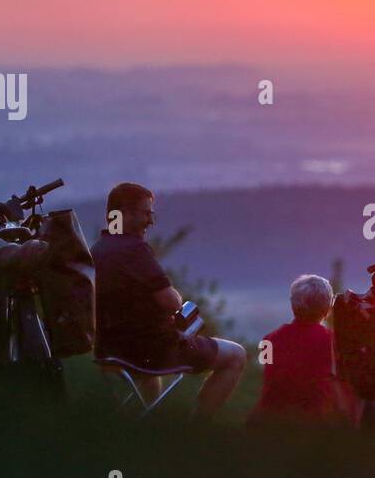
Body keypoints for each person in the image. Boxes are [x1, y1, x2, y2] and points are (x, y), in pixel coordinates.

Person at [90, 182, 246, 421]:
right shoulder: (134, 250)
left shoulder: (98, 250)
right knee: (236, 354)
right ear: (126, 213)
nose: (151, 221)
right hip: (153, 351)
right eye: (146, 213)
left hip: (109, 349)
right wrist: (177, 299)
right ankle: (196, 428)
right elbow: (171, 302)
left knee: (151, 371)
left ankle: (153, 428)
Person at [249, 274, 355, 427]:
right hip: (317, 420)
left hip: (270, 418)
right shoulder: (334, 341)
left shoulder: (268, 341)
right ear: (327, 309)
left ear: (293, 306)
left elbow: (267, 378)